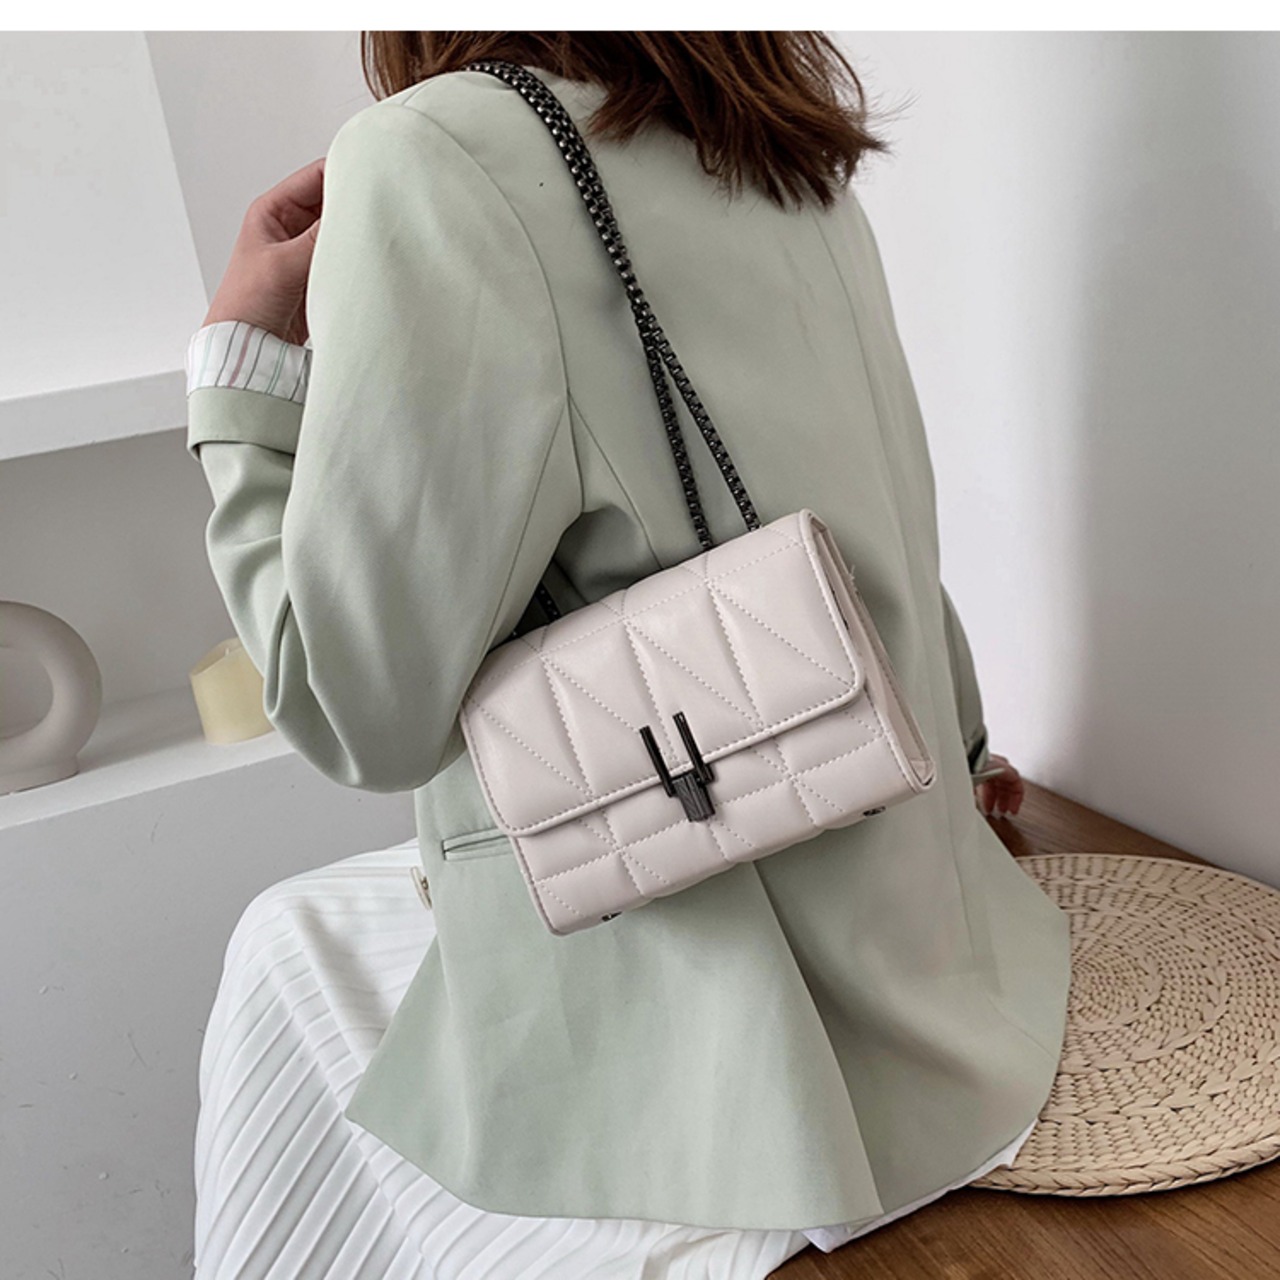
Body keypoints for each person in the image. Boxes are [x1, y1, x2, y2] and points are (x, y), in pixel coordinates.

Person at [186, 31, 1069, 1252]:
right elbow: (882, 530)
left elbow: (353, 709)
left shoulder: (436, 157)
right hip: (953, 954)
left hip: (729, 1045)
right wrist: (965, 754)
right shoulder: (780, 147)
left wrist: (239, 370)